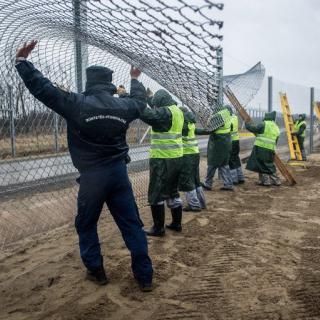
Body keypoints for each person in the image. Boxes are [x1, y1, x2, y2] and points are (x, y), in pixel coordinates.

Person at [15, 40, 153, 292]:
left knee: (86, 223)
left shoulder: (76, 103)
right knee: (131, 224)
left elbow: (43, 89)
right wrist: (134, 78)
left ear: (88, 83)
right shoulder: (123, 107)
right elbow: (139, 102)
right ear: (110, 84)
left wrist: (23, 63)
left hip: (92, 178)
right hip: (118, 173)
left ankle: (96, 270)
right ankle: (144, 277)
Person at [140, 89, 184, 237]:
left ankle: (158, 228)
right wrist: (150, 98)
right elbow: (157, 112)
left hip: (162, 159)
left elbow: (147, 114)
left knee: (156, 193)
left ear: (161, 104)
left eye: (156, 105)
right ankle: (177, 223)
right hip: (176, 158)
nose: (156, 107)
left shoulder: (165, 113)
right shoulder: (176, 111)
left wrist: (131, 99)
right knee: (172, 191)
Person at [196, 105, 234, 191]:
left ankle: (208, 183)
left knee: (212, 164)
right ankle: (228, 184)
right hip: (226, 142)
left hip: (218, 144)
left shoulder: (218, 117)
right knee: (224, 164)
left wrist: (195, 130)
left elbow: (209, 130)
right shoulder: (226, 115)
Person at [179, 108, 206, 212]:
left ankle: (194, 205)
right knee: (195, 179)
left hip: (187, 155)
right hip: (194, 154)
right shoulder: (191, 122)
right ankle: (201, 202)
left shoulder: (184, 124)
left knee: (187, 180)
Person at [245, 111, 281, 186]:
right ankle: (272, 180)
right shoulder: (276, 127)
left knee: (262, 164)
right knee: (268, 164)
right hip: (271, 149)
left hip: (261, 148)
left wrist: (247, 124)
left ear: (266, 117)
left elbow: (254, 128)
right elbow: (276, 140)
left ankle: (270, 181)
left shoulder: (264, 124)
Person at [228, 106, 245, 185]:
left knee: (231, 160)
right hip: (236, 141)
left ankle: (234, 179)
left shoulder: (228, 119)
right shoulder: (235, 117)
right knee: (236, 158)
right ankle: (240, 177)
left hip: (231, 142)